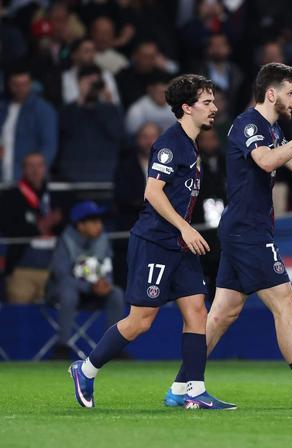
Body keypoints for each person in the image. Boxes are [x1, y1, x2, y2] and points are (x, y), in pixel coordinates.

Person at [163, 62, 292, 409]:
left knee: (221, 315)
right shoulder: (248, 124)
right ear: (271, 94)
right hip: (248, 231)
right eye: (291, 93)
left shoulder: (270, 128)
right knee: (285, 303)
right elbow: (267, 162)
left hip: (244, 229)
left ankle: (180, 387)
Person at [69, 74, 233, 411]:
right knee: (140, 321)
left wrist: (183, 232)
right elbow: (152, 192)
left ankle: (194, 390)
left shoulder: (191, 145)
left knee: (197, 310)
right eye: (206, 102)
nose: (214, 108)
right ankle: (85, 370)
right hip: (156, 241)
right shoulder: (170, 144)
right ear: (186, 108)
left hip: (178, 244)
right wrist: (185, 228)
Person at [46, 201, 125, 359]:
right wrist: (89, 287)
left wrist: (105, 283)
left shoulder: (103, 239)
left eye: (100, 221)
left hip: (94, 292)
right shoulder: (65, 241)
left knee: (116, 293)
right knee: (68, 292)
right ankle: (62, 347)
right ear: (80, 225)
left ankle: (113, 348)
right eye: (94, 221)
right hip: (65, 292)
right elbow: (62, 276)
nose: (100, 225)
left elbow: (107, 267)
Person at [0, 153, 64, 304]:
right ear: (23, 169)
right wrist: (38, 228)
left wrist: (55, 223)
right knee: (19, 314)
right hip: (21, 271)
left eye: (39, 165)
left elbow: (66, 227)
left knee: (53, 314)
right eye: (30, 166)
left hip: (52, 271)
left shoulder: (57, 194)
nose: (35, 170)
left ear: (45, 168)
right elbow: (8, 228)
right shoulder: (10, 196)